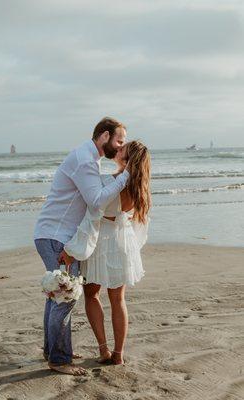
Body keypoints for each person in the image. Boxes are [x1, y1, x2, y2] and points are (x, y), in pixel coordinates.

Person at [34, 117, 129, 375]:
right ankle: (60, 360)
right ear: (104, 136)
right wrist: (125, 177)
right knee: (65, 296)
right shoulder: (86, 160)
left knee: (56, 294)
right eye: (119, 141)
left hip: (52, 234)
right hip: (56, 237)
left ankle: (52, 350)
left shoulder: (87, 157)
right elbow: (96, 201)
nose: (121, 147)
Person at [62, 140, 151, 365]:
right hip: (123, 239)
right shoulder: (140, 187)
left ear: (126, 159)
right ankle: (118, 354)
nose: (117, 150)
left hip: (101, 241)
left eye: (122, 150)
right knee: (118, 299)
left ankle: (104, 350)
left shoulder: (107, 182)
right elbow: (139, 223)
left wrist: (73, 248)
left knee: (92, 295)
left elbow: (91, 217)